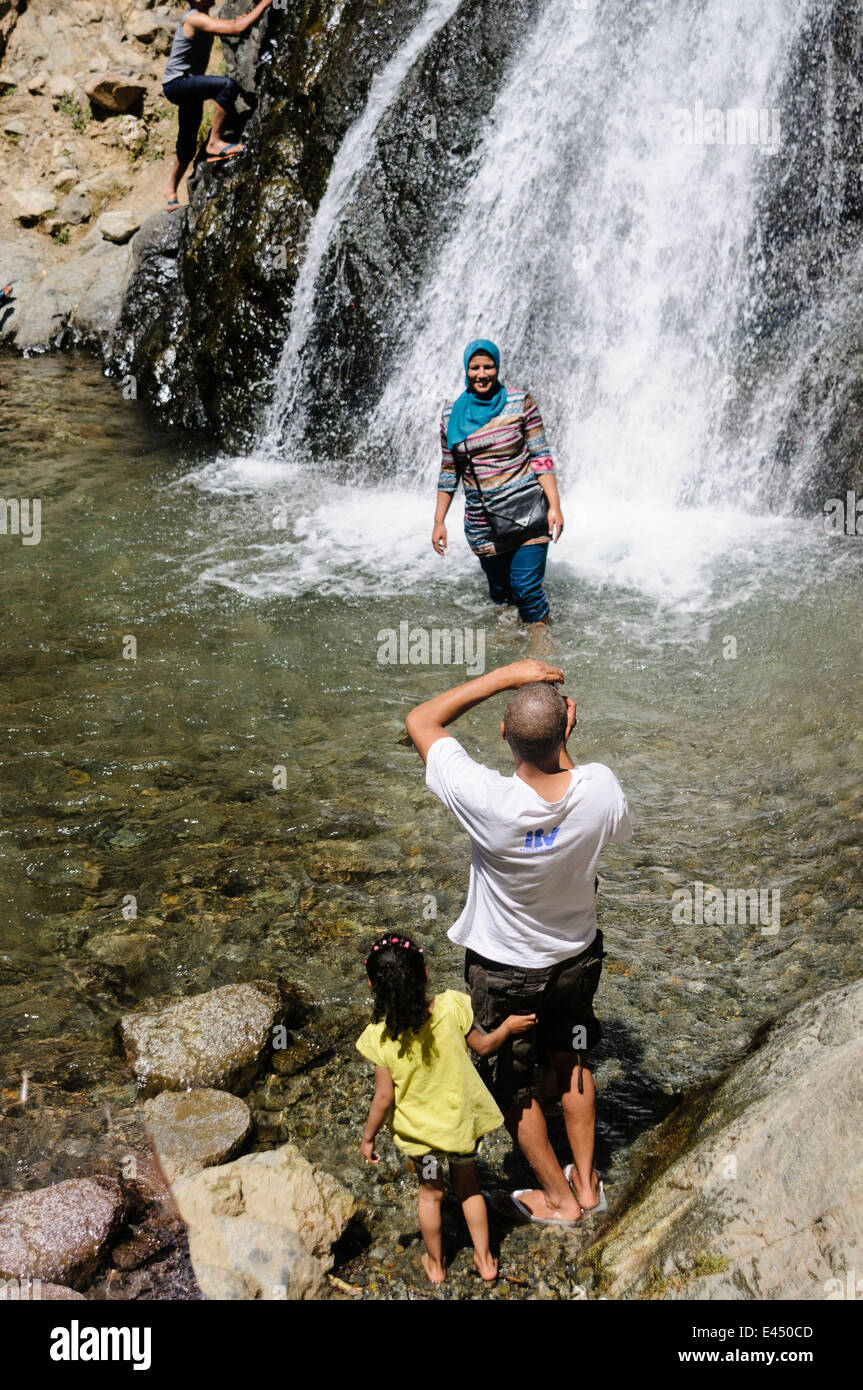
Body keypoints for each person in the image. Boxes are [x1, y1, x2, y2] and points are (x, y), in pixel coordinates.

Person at [405, 659, 633, 1224]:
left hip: (507, 967)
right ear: (567, 732)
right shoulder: (600, 787)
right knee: (571, 1053)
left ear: (504, 734)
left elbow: (422, 720)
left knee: (512, 1083)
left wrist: (506, 677)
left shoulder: (487, 800)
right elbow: (596, 808)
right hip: (576, 955)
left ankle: (558, 1200)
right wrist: (562, 747)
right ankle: (585, 1182)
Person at [356, 931, 537, 1283]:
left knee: (430, 1194)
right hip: (459, 1127)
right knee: (468, 1188)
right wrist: (508, 1027)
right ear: (425, 974)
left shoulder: (380, 1037)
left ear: (371, 986)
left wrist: (368, 1137)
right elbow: (484, 1047)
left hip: (421, 1138)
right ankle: (485, 1262)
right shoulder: (453, 1006)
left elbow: (383, 1098)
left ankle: (436, 1266)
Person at [432, 339, 564, 626]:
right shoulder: (449, 416)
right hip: (482, 524)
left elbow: (541, 456)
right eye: (475, 367)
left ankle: (542, 657)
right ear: (466, 370)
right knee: (502, 595)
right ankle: (509, 652)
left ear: (497, 367)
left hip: (528, 514)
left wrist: (554, 505)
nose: (482, 374)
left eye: (488, 367)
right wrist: (439, 521)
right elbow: (449, 470)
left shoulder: (520, 403)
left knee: (527, 590)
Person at [160, 0, 273, 209]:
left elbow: (234, 23)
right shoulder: (194, 18)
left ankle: (170, 189)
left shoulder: (203, 18)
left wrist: (241, 18)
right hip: (179, 84)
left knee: (187, 140)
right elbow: (236, 28)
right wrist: (265, 2)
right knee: (227, 86)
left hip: (184, 85)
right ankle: (214, 142)